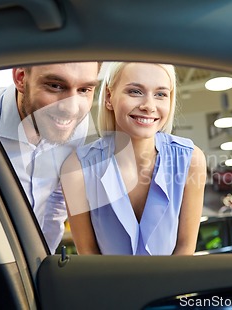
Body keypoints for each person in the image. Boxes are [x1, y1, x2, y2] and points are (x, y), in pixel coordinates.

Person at [61, 62, 207, 255]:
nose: (149, 106)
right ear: (108, 97)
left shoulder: (190, 160)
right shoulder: (77, 168)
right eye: (135, 92)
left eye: (161, 94)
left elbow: (185, 249)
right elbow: (89, 255)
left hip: (173, 285)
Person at [0, 62, 100, 254]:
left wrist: (41, 258)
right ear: (20, 78)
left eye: (84, 89)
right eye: (55, 86)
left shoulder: (73, 124)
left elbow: (57, 197)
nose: (72, 109)